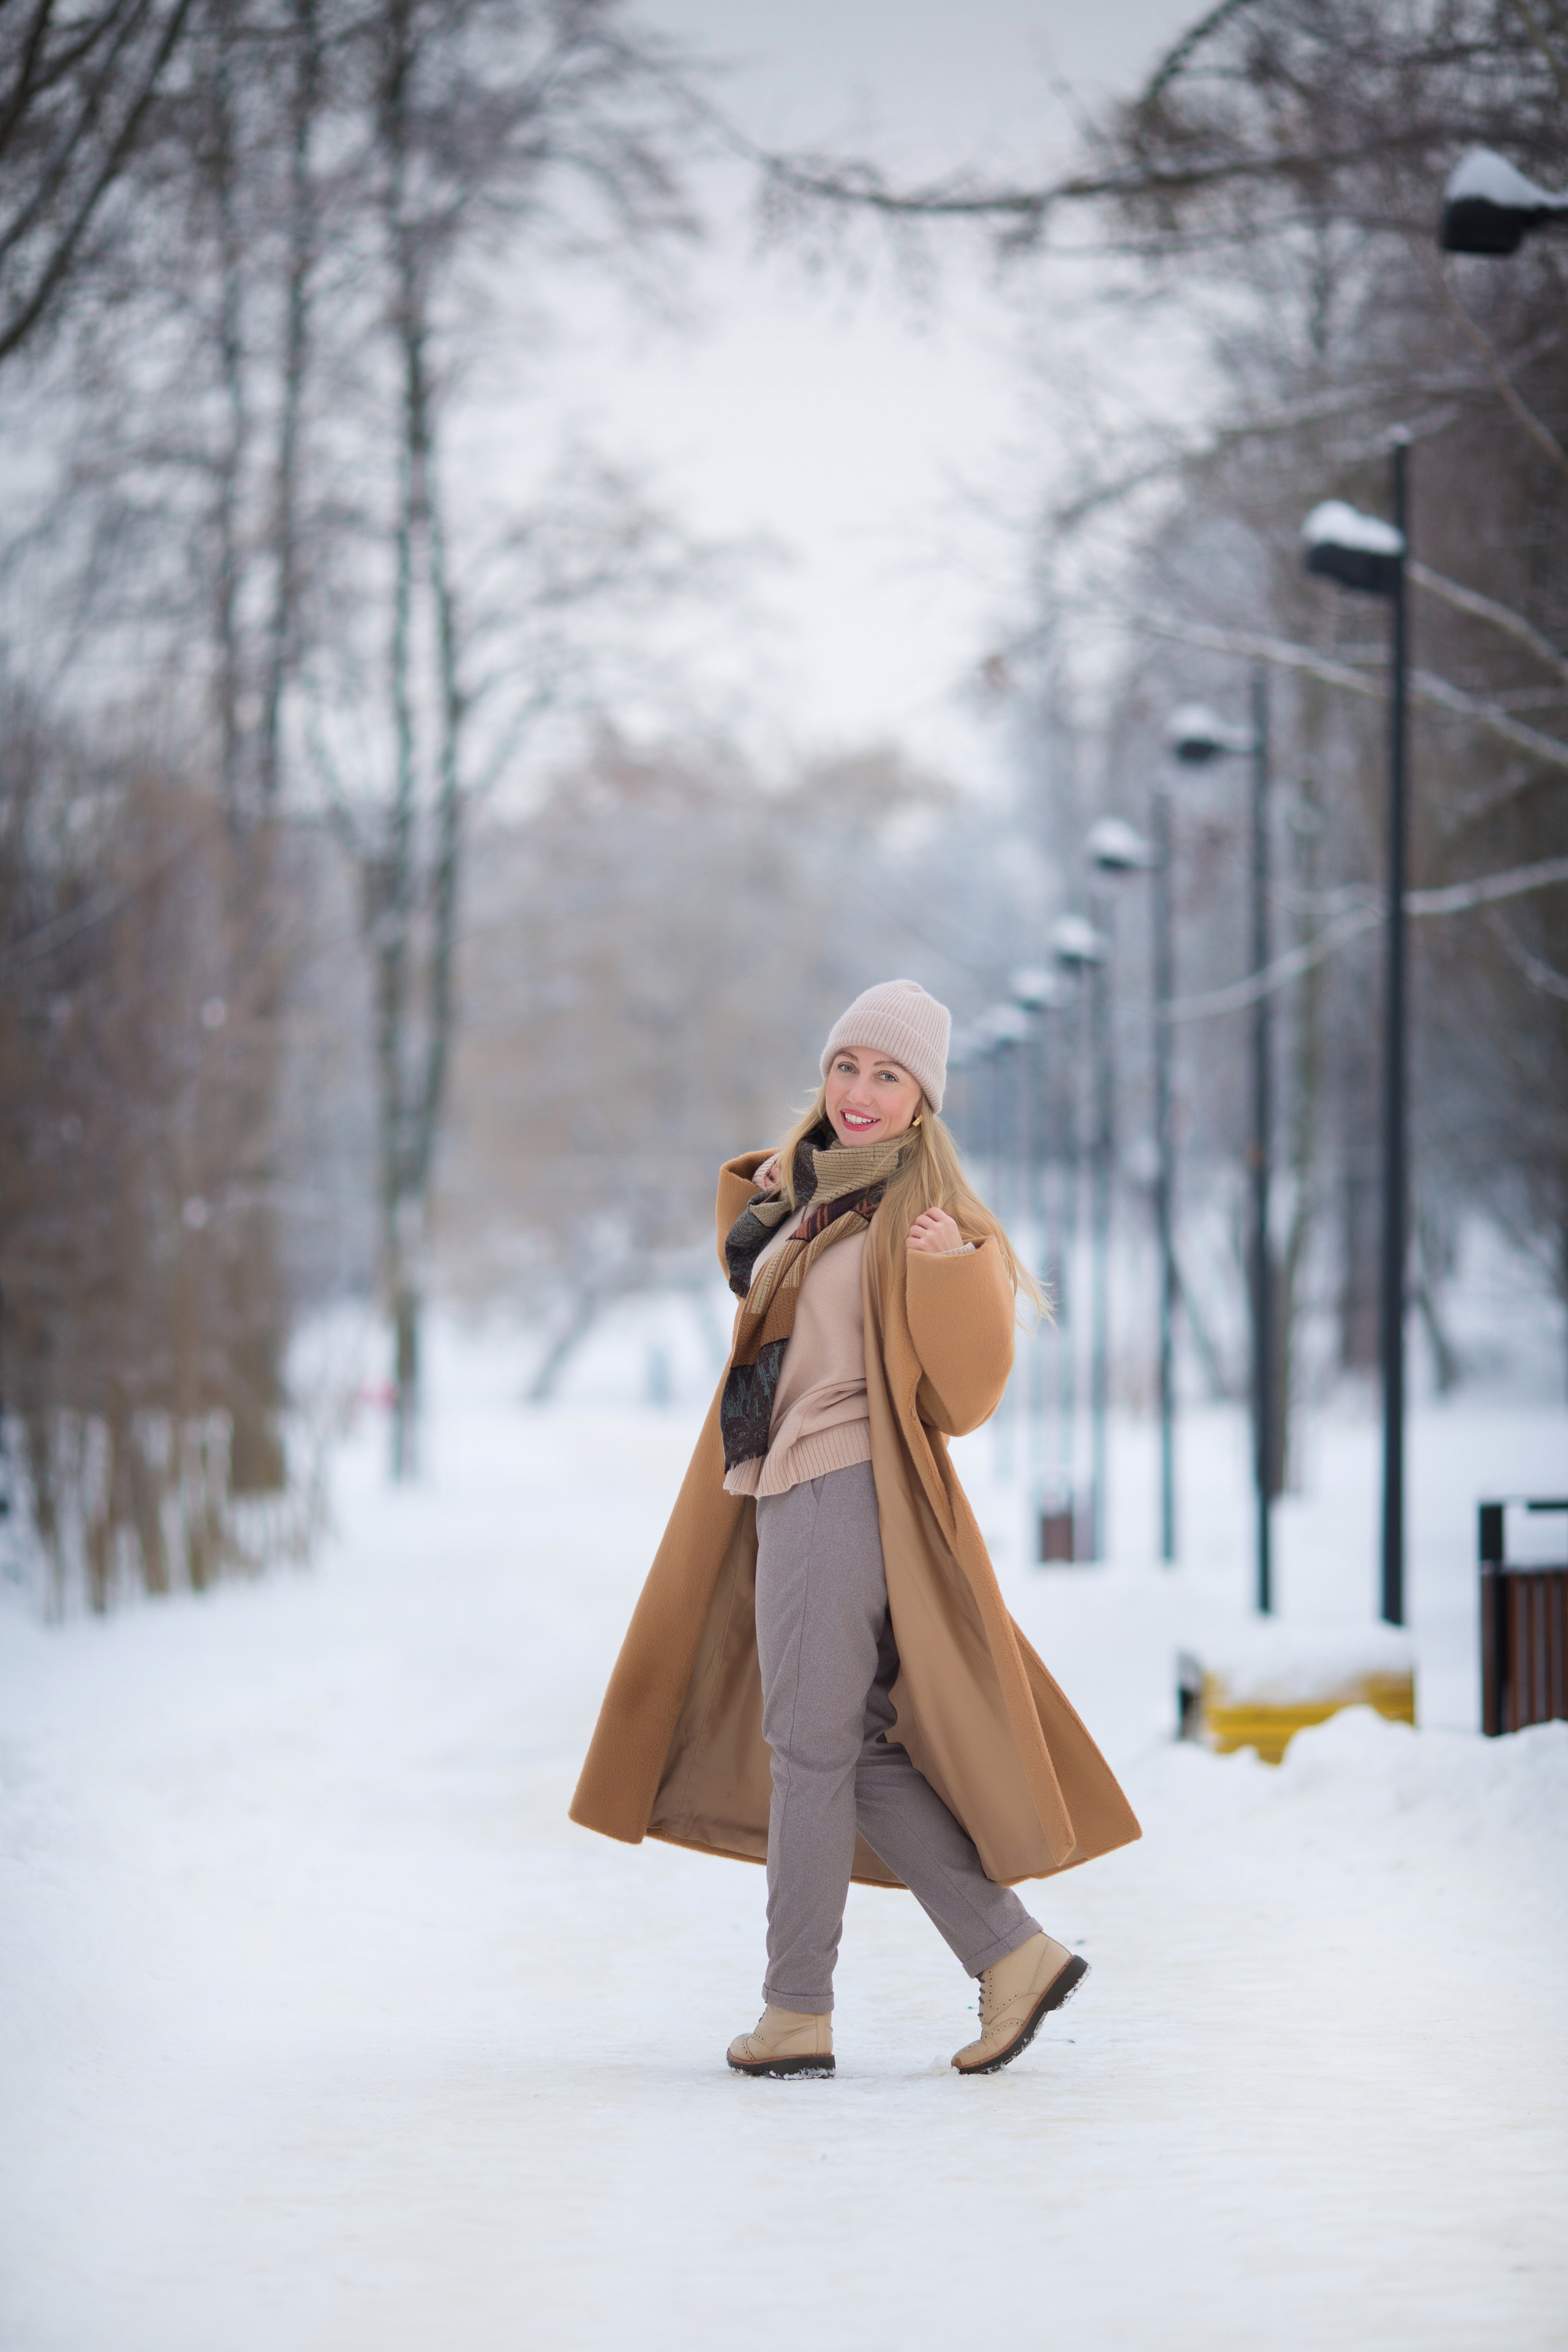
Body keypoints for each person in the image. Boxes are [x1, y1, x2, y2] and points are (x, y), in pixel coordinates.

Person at [570, 978, 1140, 2077]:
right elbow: (743, 1272)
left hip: (840, 1491)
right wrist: (777, 1184)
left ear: (925, 1104)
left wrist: (947, 1272)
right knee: (844, 1748)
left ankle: (796, 2012)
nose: (862, 1092)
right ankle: (1011, 1957)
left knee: (806, 1752)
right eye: (848, 1068)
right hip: (799, 1489)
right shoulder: (823, 1201)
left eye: (890, 1075)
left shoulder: (918, 1223)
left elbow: (965, 1400)